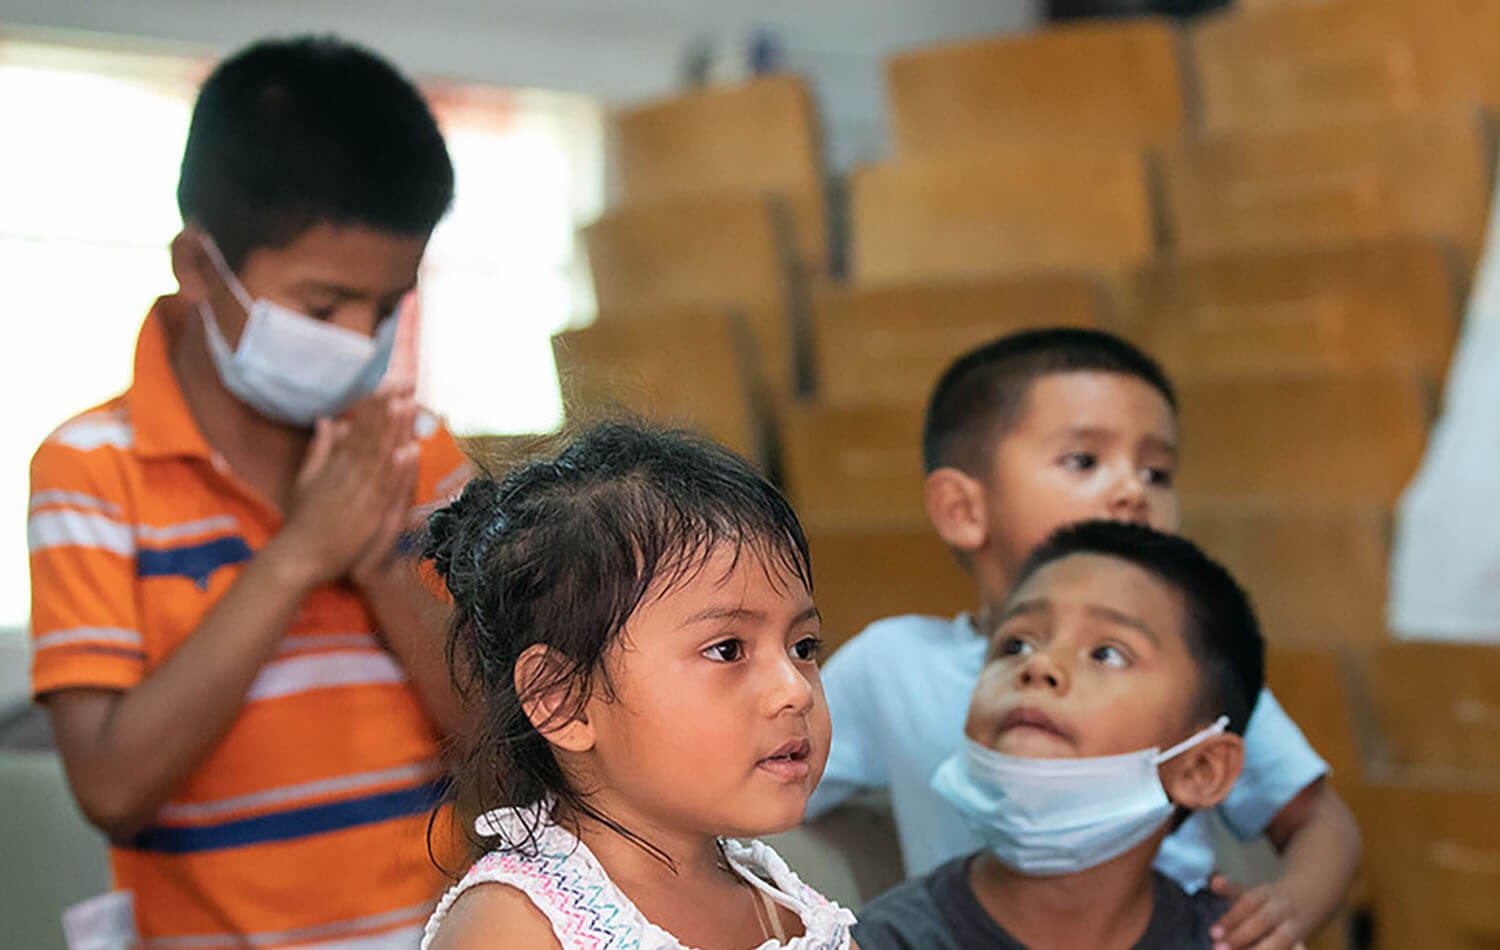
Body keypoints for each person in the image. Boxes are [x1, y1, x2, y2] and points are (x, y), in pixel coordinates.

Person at [28, 37, 471, 948]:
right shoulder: (91, 470)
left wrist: (382, 570)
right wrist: (302, 555)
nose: (361, 340)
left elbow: (499, 737)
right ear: (198, 267)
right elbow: (112, 787)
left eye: (388, 308)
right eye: (322, 308)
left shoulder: (417, 452)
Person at [807, 329, 1361, 948]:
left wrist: (1289, 906)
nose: (1132, 490)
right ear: (963, 508)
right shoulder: (893, 664)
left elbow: (1318, 819)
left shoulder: (1187, 672)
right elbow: (758, 776)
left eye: (1157, 471)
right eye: (1084, 461)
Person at [419, 422, 856, 950]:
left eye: (803, 648)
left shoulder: (790, 909)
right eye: (727, 650)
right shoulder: (515, 929)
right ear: (562, 699)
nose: (795, 690)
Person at [855, 521, 1262, 949]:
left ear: (1201, 769)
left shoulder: (1234, 942)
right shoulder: (878, 942)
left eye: (1106, 653)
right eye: (1016, 645)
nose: (1040, 665)